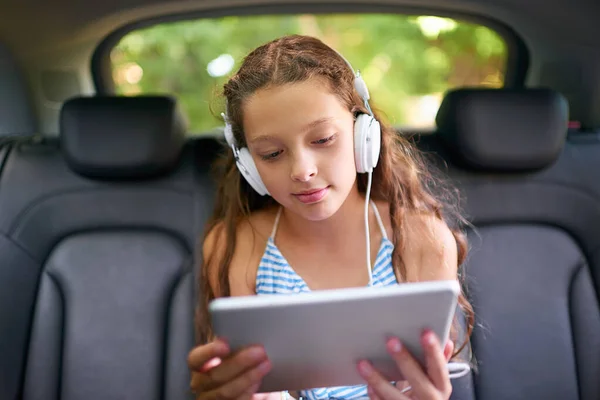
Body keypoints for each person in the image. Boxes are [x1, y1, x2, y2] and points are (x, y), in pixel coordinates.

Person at [188, 34, 474, 400]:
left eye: (322, 140)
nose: (303, 171)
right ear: (249, 167)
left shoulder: (420, 240)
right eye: (272, 153)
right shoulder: (236, 245)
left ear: (362, 136)